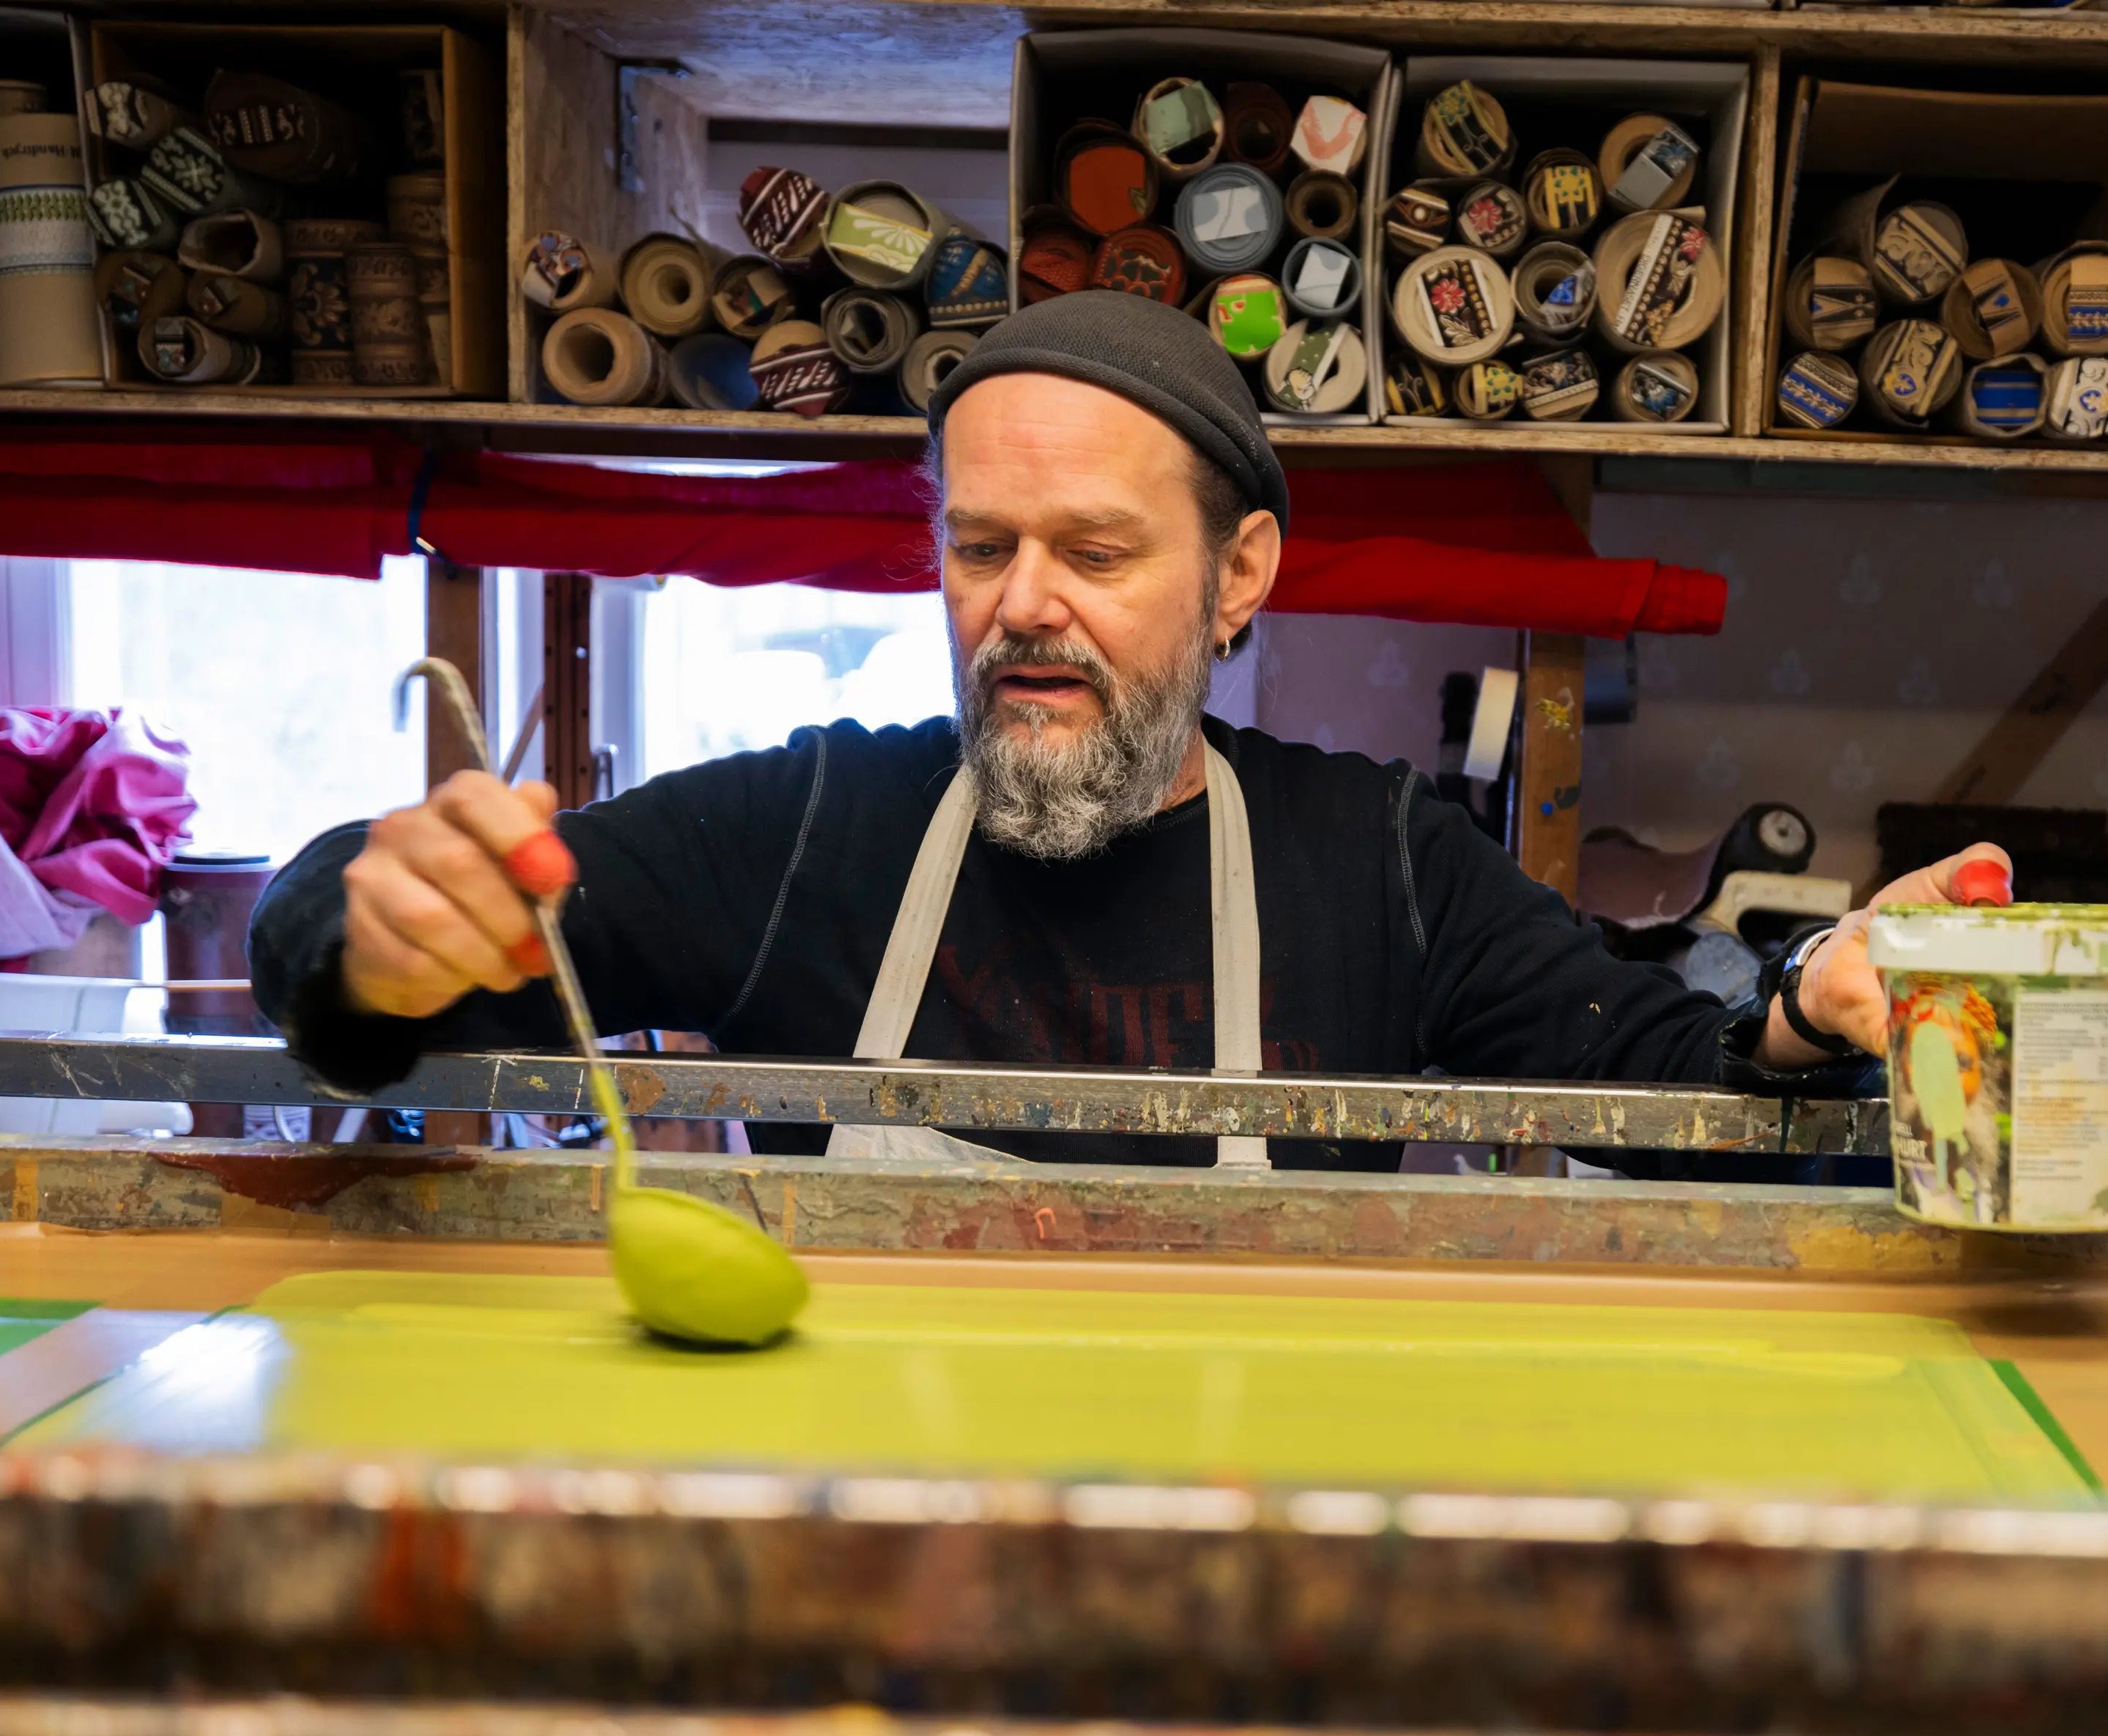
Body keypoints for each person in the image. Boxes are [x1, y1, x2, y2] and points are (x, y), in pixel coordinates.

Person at [249, 290, 2004, 1166]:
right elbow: (341, 980)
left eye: (1093, 553)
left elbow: (1664, 1075)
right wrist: (372, 922)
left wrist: (1807, 1012)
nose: (1023, 604)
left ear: (1240, 575)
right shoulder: (810, 834)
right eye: (978, 548)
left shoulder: (1375, 863)